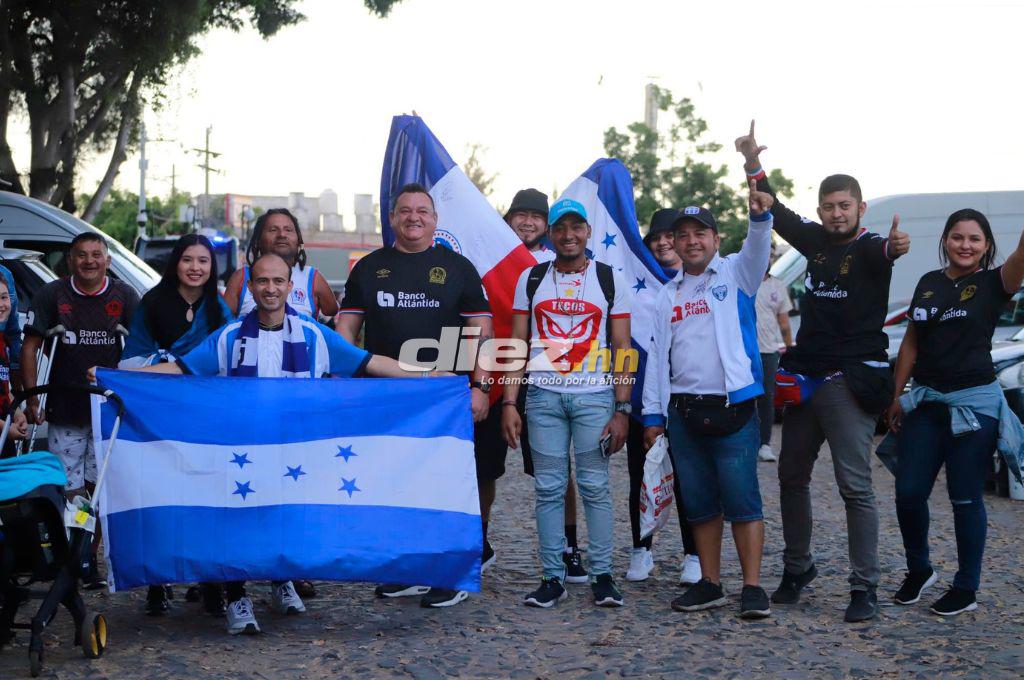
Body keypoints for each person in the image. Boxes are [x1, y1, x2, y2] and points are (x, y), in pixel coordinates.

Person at [129, 252, 424, 634]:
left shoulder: (313, 335)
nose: (271, 289)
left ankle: (280, 579)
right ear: (250, 287)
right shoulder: (229, 337)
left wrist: (429, 375)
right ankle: (237, 596)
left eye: (278, 282)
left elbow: (369, 363)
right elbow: (180, 370)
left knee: (284, 516)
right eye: (263, 282)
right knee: (238, 522)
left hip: (293, 449)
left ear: (290, 287)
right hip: (242, 452)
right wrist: (121, 377)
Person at [736, 121, 910, 622]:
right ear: (821, 211)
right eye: (829, 207)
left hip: (849, 380)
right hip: (806, 377)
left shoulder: (873, 248)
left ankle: (864, 587)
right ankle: (798, 567)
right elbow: (772, 204)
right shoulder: (812, 241)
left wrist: (896, 246)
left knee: (855, 485)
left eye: (845, 207)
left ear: (861, 209)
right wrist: (751, 161)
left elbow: (888, 250)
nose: (837, 214)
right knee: (791, 476)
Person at [337, 182, 493, 609]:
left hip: (443, 400)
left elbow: (482, 332)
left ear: (435, 220)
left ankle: (452, 573)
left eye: (422, 211)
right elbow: (346, 330)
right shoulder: (369, 268)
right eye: (405, 211)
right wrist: (346, 374)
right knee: (395, 485)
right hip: (385, 399)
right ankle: (409, 571)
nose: (413, 218)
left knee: (446, 487)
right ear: (392, 219)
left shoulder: (458, 267)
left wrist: (480, 386)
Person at [641, 190, 774, 619]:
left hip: (733, 409)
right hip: (683, 413)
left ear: (716, 239)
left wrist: (760, 215)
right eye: (683, 235)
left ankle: (752, 587)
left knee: (743, 502)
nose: (692, 241)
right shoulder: (667, 294)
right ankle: (711, 583)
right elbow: (658, 359)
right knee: (698, 504)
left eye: (701, 233)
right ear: (674, 243)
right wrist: (653, 416)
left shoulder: (737, 273)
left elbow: (757, 244)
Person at [885, 209, 1024, 616]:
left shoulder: (996, 282)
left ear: (986, 246)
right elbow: (911, 342)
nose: (965, 245)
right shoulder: (928, 283)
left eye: (975, 239)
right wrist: (897, 396)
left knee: (965, 498)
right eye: (958, 237)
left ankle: (966, 587)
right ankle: (919, 568)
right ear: (945, 240)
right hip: (927, 401)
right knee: (908, 491)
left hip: (974, 406)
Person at [502, 198, 632, 609]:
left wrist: (622, 409)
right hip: (543, 397)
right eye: (561, 228)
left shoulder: (611, 279)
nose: (569, 235)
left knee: (595, 487)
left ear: (587, 232)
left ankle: (603, 576)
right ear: (551, 233)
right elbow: (517, 344)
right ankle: (551, 577)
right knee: (549, 489)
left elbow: (623, 347)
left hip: (595, 396)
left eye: (576, 227)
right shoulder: (532, 278)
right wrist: (509, 401)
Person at [118, 233, 233, 616]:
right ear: (176, 263)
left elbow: (231, 356)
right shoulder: (152, 303)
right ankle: (158, 582)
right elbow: (131, 361)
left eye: (203, 260)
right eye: (188, 259)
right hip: (160, 417)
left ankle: (211, 582)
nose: (196, 267)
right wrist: (170, 360)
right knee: (160, 495)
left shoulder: (219, 309)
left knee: (207, 497)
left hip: (206, 419)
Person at [22, 232, 140, 589]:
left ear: (107, 260)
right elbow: (31, 348)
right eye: (82, 255)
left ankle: (88, 549)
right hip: (65, 404)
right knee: (70, 484)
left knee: (99, 483)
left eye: (96, 255)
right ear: (70, 260)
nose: (89, 261)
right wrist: (32, 398)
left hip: (106, 409)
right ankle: (77, 549)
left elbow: (140, 349)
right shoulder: (51, 294)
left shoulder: (124, 296)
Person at [504, 188, 587, 583]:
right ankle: (478, 545)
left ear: (549, 228)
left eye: (536, 217)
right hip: (493, 369)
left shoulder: (555, 264)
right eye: (520, 215)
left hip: (546, 379)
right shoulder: (493, 254)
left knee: (556, 472)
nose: (528, 222)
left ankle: (568, 548)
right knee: (483, 468)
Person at [626, 208, 701, 584]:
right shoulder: (635, 282)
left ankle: (693, 554)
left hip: (688, 399)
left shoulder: (697, 281)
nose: (663, 243)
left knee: (690, 481)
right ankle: (642, 550)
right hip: (644, 400)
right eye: (655, 238)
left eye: (669, 236)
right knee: (640, 476)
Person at [224, 208, 338, 320]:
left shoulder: (313, 278)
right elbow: (221, 322)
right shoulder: (241, 278)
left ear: (298, 240)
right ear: (258, 239)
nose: (282, 234)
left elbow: (331, 310)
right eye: (273, 230)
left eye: (288, 230)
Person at [753, 245, 794, 462]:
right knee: (745, 397)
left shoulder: (777, 286)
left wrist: (789, 351)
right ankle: (747, 441)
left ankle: (764, 444)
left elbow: (784, 324)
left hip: (769, 352)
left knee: (766, 398)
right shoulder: (743, 281)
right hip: (744, 352)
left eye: (768, 254)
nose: (764, 258)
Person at [0, 277, 28, 453]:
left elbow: (4, 387)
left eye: (3, 297)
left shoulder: (4, 341)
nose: (1, 305)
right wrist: (4, 428)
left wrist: (16, 411)